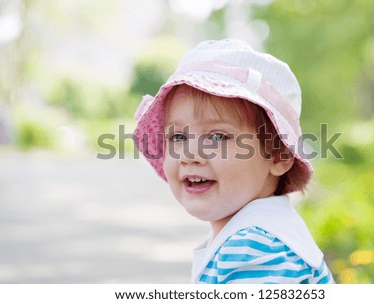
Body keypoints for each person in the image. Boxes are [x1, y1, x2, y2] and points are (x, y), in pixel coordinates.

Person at [133, 39, 334, 284]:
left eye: (217, 136)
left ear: (279, 155)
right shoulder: (256, 234)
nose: (189, 154)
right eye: (178, 136)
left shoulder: (254, 248)